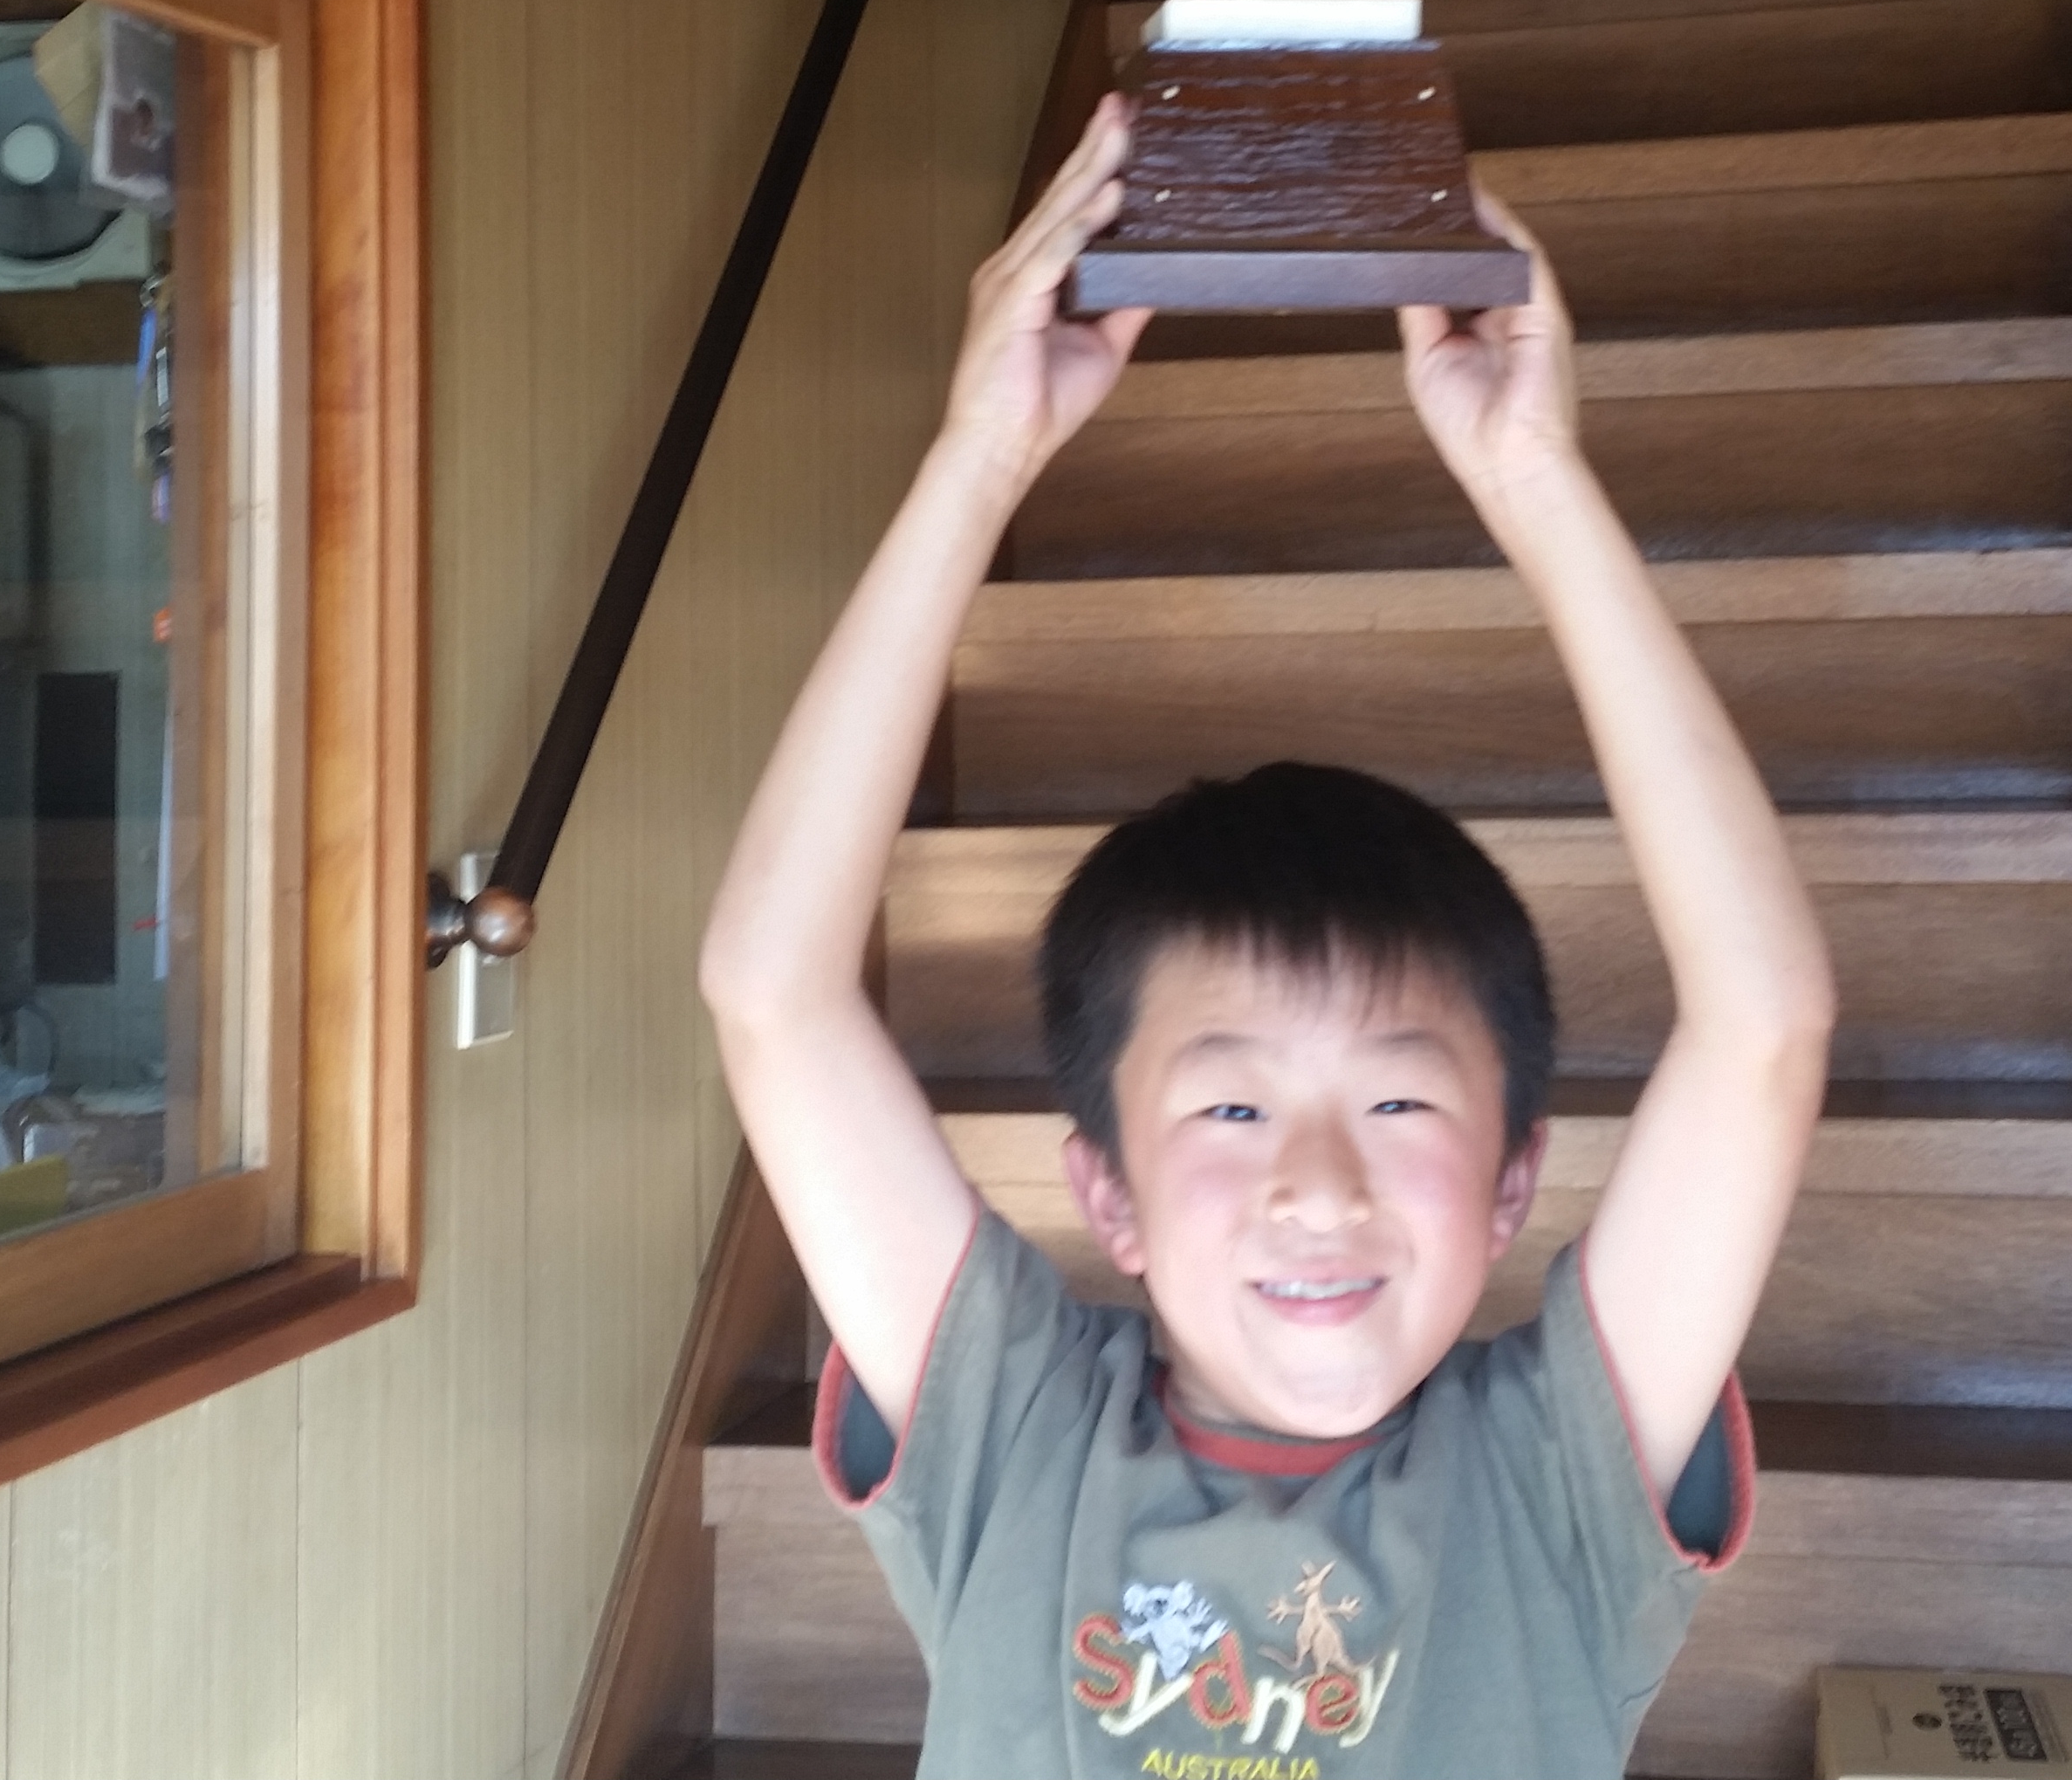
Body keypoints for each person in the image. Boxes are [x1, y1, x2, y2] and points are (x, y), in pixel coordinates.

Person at [696, 97, 1837, 1776]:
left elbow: (1763, 1026)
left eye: (1399, 1099)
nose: (1320, 1184)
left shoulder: (1553, 1486)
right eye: (1232, 1104)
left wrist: (1535, 480)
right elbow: (771, 989)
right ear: (1108, 1193)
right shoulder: (1013, 1432)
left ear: (1514, 1179)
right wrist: (977, 459)